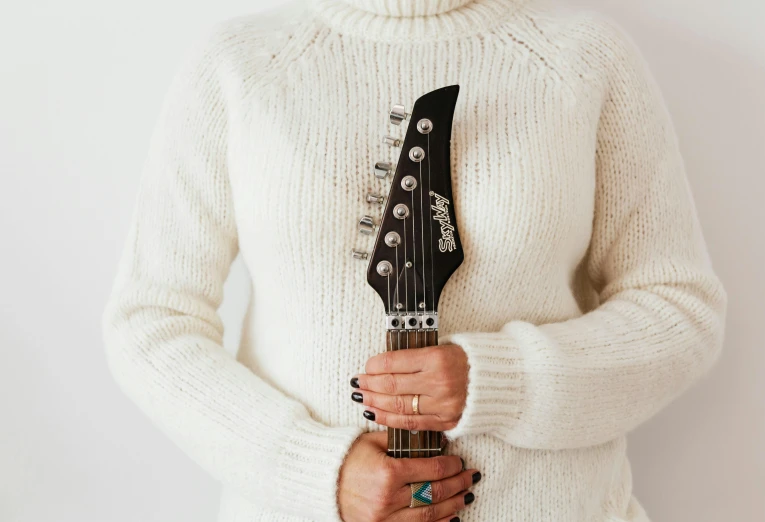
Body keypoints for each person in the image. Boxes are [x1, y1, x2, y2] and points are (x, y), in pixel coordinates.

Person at [102, 0, 728, 520]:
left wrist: (504, 381)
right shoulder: (243, 62)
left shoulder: (581, 58)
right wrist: (316, 470)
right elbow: (153, 320)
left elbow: (678, 309)